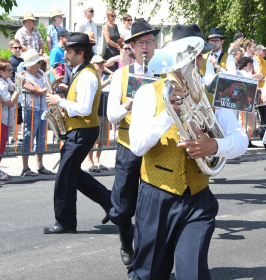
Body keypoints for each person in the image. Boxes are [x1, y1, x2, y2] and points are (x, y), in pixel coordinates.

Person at [127, 22, 247, 280]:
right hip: (157, 196)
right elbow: (137, 146)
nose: (194, 61)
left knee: (193, 275)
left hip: (198, 198)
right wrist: (168, 115)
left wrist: (214, 145)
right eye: (187, 56)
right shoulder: (148, 92)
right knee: (148, 274)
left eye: (198, 54)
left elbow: (241, 140)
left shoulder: (218, 91)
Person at [43, 32, 113, 234]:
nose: (66, 54)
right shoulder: (80, 72)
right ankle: (110, 203)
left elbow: (83, 108)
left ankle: (65, 222)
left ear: (80, 53)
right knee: (72, 173)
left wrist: (59, 101)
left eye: (69, 51)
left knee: (64, 175)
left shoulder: (88, 75)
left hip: (83, 129)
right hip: (79, 129)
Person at [106, 19, 160, 266]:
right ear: (132, 47)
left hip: (154, 147)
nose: (146, 47)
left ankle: (146, 253)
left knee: (151, 205)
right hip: (128, 144)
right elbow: (111, 115)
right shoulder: (121, 74)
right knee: (124, 203)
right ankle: (126, 242)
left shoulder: (162, 74)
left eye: (150, 42)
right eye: (141, 43)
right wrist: (130, 103)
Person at [19, 49, 56, 177]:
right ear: (30, 65)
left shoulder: (41, 73)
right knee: (29, 138)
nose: (39, 64)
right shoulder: (24, 76)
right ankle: (25, 167)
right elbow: (39, 91)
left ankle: (40, 165)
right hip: (31, 109)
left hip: (42, 109)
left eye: (39, 62)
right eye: (37, 63)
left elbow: (47, 89)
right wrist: (55, 82)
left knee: (41, 138)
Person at [0, 58, 20, 181]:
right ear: (1, 71)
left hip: (4, 117)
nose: (12, 72)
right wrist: (18, 90)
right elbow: (9, 102)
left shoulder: (4, 80)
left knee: (2, 142)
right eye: (9, 70)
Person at [85, 55, 112, 172]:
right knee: (91, 139)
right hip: (93, 112)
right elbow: (96, 88)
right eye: (98, 63)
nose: (101, 65)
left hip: (104, 111)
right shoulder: (90, 76)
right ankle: (90, 162)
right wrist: (108, 81)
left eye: (102, 63)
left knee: (101, 139)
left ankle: (97, 160)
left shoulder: (106, 76)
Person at [8, 39, 24, 146]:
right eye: (15, 47)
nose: (18, 49)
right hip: (16, 90)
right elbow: (11, 77)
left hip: (21, 90)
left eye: (19, 47)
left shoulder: (21, 59)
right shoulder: (11, 61)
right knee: (17, 115)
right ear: (11, 49)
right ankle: (14, 138)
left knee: (21, 115)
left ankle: (19, 137)